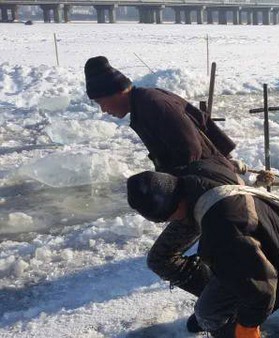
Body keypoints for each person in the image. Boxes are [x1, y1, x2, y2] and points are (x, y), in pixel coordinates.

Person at [126, 170, 279, 337]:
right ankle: (232, 322)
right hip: (258, 244)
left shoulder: (222, 232)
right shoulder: (199, 174)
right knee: (209, 313)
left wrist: (248, 327)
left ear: (176, 204)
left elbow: (263, 286)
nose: (173, 223)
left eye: (168, 218)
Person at [84, 56, 242, 298]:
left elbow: (189, 150)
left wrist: (174, 197)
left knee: (161, 259)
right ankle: (218, 301)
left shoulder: (152, 105)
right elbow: (201, 121)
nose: (103, 110)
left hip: (203, 189)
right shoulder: (147, 99)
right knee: (212, 246)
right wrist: (225, 158)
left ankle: (221, 302)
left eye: (101, 102)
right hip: (209, 180)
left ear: (115, 92)